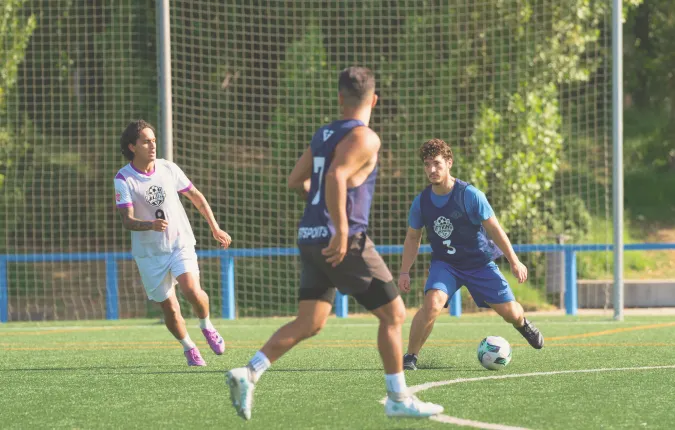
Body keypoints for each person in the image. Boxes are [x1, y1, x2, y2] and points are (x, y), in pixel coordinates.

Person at [225, 67, 443, 420]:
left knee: (310, 321)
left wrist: (320, 213)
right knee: (394, 313)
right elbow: (337, 175)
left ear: (340, 98)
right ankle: (398, 399)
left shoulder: (323, 133)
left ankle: (248, 371)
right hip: (342, 237)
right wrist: (340, 230)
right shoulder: (366, 137)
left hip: (309, 236)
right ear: (374, 100)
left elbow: (296, 179)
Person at [399, 138, 544, 371]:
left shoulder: (470, 195)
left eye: (436, 163)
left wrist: (514, 261)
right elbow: (412, 238)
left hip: (479, 264)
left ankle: (523, 324)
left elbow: (495, 230)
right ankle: (410, 357)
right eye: (427, 164)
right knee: (432, 304)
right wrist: (404, 271)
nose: (431, 169)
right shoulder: (421, 202)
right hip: (445, 264)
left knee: (511, 313)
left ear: (449, 163)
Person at [114, 119, 232, 366]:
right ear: (132, 147)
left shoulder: (168, 168)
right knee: (170, 308)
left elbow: (196, 196)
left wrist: (215, 227)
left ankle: (206, 325)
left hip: (180, 243)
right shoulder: (123, 179)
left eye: (154, 140)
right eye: (146, 141)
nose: (152, 145)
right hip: (149, 254)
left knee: (192, 290)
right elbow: (127, 220)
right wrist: (150, 225)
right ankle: (189, 347)